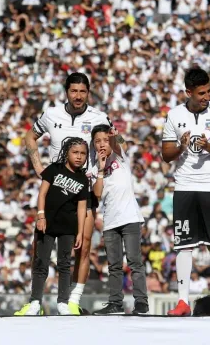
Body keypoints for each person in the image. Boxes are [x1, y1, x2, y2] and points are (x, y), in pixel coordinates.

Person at [24, 73, 111, 314]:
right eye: (74, 91)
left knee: (82, 247)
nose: (78, 96)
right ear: (66, 91)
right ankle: (35, 301)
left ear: (88, 92)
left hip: (83, 190)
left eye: (83, 91)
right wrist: (38, 166)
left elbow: (116, 139)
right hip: (54, 191)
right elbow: (30, 137)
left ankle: (72, 300)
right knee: (39, 248)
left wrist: (114, 147)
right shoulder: (51, 114)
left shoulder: (99, 116)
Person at [161, 67, 210, 317]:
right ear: (188, 92)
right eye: (201, 93)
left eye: (208, 91)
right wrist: (181, 147)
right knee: (184, 245)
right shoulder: (174, 115)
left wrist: (209, 145)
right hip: (184, 185)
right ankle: (183, 301)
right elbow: (165, 154)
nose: (206, 96)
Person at [14, 137, 89, 315]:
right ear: (67, 153)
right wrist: (40, 216)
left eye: (83, 153)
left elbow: (82, 207)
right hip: (46, 224)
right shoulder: (54, 169)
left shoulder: (83, 179)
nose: (79, 157)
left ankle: (63, 302)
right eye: (75, 152)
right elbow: (42, 194)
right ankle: (35, 302)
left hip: (68, 227)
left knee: (64, 264)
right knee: (41, 262)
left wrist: (79, 232)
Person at [89, 124, 148, 315]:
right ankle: (115, 302)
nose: (102, 144)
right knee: (113, 265)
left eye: (105, 140)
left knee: (134, 262)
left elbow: (121, 143)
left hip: (130, 217)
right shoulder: (92, 168)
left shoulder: (120, 157)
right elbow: (97, 194)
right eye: (97, 141)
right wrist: (99, 168)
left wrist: (116, 136)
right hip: (110, 221)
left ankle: (141, 302)